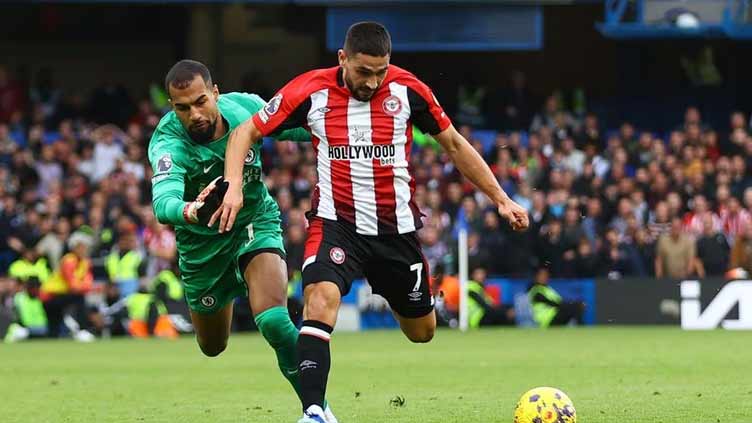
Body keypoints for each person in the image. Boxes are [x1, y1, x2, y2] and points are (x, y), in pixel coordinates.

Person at [216, 22, 529, 423]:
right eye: (364, 72)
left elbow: (453, 144)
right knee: (319, 301)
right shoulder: (309, 90)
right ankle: (314, 411)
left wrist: (501, 199)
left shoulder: (409, 90)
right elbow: (245, 131)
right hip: (336, 223)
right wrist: (234, 187)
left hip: (395, 231)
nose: (373, 81)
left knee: (422, 331)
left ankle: (399, 300)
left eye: (381, 71)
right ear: (343, 59)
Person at [147, 60, 337, 421]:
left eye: (201, 101)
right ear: (172, 107)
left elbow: (296, 127)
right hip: (202, 247)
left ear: (215, 92)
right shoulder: (168, 142)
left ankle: (317, 409)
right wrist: (192, 211)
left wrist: (333, 127)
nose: (195, 114)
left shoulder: (244, 108)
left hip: (254, 224)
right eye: (182, 107)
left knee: (275, 322)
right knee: (212, 346)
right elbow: (163, 202)